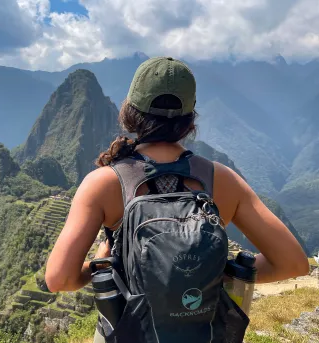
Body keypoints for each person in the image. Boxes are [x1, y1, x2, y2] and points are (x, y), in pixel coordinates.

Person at [45, 57, 309, 342]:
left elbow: (60, 279)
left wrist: (100, 264)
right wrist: (204, 276)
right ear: (189, 119)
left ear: (130, 112)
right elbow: (292, 263)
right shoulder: (222, 179)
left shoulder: (104, 183)